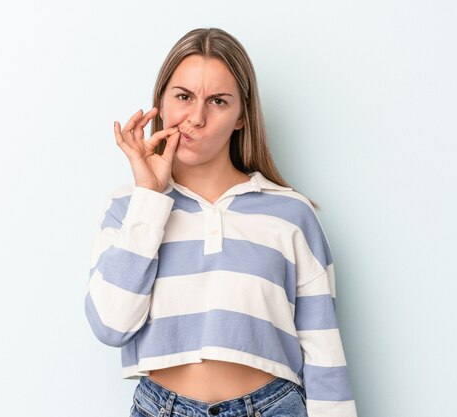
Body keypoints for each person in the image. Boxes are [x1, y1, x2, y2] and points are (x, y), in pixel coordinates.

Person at [85, 27, 358, 417]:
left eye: (217, 101)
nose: (196, 117)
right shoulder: (129, 206)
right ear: (160, 103)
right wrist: (149, 197)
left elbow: (324, 352)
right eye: (183, 97)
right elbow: (111, 326)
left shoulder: (291, 215)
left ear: (241, 117)